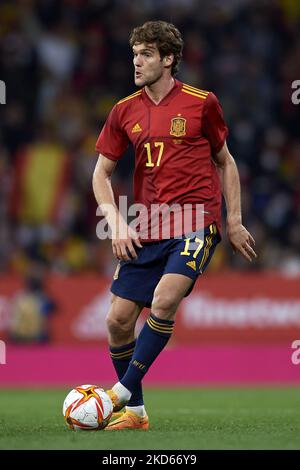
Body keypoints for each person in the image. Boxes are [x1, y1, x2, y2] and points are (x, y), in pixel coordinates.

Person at [93, 20, 257, 430]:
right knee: (117, 321)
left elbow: (226, 161)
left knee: (164, 300)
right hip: (146, 225)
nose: (137, 61)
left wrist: (233, 222)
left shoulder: (203, 103)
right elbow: (100, 173)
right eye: (135, 54)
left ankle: (118, 394)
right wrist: (116, 221)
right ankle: (136, 413)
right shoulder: (123, 110)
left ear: (168, 59)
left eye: (146, 54)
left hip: (197, 221)